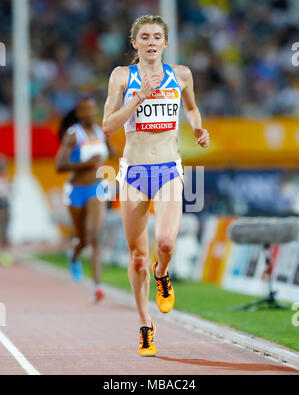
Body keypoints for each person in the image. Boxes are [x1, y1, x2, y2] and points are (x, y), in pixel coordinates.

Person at [102, 15, 209, 356]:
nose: (150, 41)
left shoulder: (181, 75)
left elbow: (191, 108)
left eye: (157, 36)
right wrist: (137, 99)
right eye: (144, 36)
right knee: (136, 258)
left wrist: (197, 128)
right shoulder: (122, 76)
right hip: (133, 173)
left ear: (165, 43)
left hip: (167, 170)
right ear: (135, 43)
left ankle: (162, 274)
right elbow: (107, 126)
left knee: (164, 242)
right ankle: (146, 324)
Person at [56, 95, 113, 303]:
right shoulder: (73, 134)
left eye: (92, 109)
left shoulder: (101, 131)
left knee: (95, 235)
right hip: (76, 190)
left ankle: (97, 286)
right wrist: (85, 163)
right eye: (85, 110)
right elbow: (59, 166)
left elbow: (112, 151)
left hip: (97, 187)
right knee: (83, 237)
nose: (89, 114)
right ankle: (74, 252)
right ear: (79, 113)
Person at [0, 154, 12, 266]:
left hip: (4, 206)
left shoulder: (6, 178)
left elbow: (8, 193)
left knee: (4, 231)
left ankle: (5, 253)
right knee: (2, 231)